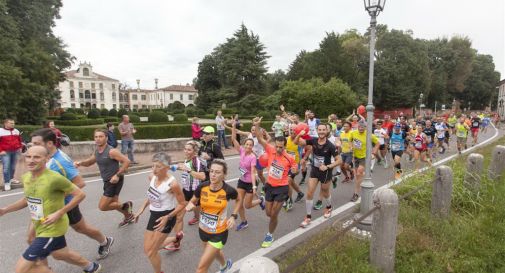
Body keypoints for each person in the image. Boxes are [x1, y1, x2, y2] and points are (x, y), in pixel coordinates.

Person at [0, 146, 102, 273]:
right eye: (28, 157)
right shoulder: (26, 177)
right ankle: (91, 267)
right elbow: (28, 199)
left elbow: (80, 194)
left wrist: (60, 212)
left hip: (53, 228)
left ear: (46, 159)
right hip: (40, 224)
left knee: (22, 270)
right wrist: (5, 210)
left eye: (36, 157)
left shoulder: (54, 178)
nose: (31, 160)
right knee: (60, 254)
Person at [30, 128, 114, 260]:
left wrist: (57, 196)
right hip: (45, 206)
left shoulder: (61, 161)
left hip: (66, 204)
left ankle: (104, 241)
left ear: (50, 144)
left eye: (36, 144)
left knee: (81, 228)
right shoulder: (42, 158)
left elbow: (80, 183)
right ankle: (40, 266)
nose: (32, 147)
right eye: (32, 144)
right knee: (32, 237)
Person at [133, 153, 186, 273]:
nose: (154, 169)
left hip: (167, 216)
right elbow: (152, 195)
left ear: (167, 167)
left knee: (151, 252)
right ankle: (175, 239)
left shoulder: (173, 184)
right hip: (154, 215)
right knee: (147, 249)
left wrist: (168, 217)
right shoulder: (151, 177)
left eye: (158, 167)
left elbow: (182, 204)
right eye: (153, 166)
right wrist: (141, 209)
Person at [186, 159, 240, 273]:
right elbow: (193, 200)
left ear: (224, 175)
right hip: (203, 229)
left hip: (219, 233)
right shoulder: (202, 187)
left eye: (217, 172)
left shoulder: (228, 190)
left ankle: (223, 266)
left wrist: (233, 216)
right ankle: (224, 266)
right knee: (214, 252)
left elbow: (239, 200)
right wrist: (190, 205)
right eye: (211, 171)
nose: (213, 175)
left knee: (201, 268)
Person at [74, 129, 133, 227]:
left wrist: (117, 175)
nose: (98, 139)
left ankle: (126, 206)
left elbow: (127, 161)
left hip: (114, 181)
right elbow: (90, 162)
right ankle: (128, 216)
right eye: (96, 137)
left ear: (106, 138)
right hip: (107, 180)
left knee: (103, 206)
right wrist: (80, 163)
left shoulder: (111, 151)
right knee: (114, 203)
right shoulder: (97, 151)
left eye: (101, 136)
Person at [254, 117, 297, 248]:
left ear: (284, 146)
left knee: (273, 214)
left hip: (282, 188)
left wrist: (294, 170)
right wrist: (256, 125)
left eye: (281, 147)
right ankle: (264, 201)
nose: (278, 149)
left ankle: (270, 234)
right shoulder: (270, 150)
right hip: (269, 186)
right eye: (277, 146)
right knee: (268, 213)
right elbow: (260, 138)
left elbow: (295, 168)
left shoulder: (289, 158)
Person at [295, 124, 341, 228]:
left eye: (323, 130)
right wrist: (299, 134)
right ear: (317, 130)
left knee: (325, 192)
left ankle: (329, 207)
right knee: (310, 192)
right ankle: (308, 217)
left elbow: (339, 160)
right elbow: (297, 142)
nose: (321, 131)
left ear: (326, 131)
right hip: (315, 170)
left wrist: (328, 166)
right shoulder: (314, 140)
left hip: (325, 172)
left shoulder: (330, 146)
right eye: (319, 130)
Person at [230, 120, 265, 230]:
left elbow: (253, 171)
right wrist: (233, 127)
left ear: (252, 146)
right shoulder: (241, 151)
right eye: (247, 144)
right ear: (244, 145)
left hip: (250, 183)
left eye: (250, 145)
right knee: (238, 203)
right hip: (241, 181)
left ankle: (260, 200)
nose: (248, 146)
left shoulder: (253, 157)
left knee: (247, 205)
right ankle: (244, 222)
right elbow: (233, 139)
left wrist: (254, 187)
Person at [178, 141, 208, 227]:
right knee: (184, 207)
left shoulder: (196, 161)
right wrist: (177, 167)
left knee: (190, 207)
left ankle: (200, 213)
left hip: (195, 189)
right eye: (185, 149)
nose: (186, 151)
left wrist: (188, 170)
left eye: (189, 150)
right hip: (187, 187)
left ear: (194, 152)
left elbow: (202, 177)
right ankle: (197, 216)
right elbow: (186, 169)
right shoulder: (187, 159)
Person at [349, 121, 379, 202]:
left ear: (365, 127)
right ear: (357, 127)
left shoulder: (369, 135)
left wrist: (373, 153)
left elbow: (378, 143)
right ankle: (365, 175)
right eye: (360, 127)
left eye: (363, 127)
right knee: (358, 176)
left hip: (365, 157)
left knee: (359, 173)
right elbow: (350, 140)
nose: (361, 128)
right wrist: (351, 146)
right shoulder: (353, 133)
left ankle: (356, 193)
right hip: (356, 156)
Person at [283, 124, 305, 211]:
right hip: (286, 165)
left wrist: (304, 158)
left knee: (288, 181)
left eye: (294, 130)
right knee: (291, 182)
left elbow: (309, 148)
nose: (292, 131)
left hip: (295, 166)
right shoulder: (287, 139)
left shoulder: (301, 141)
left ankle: (289, 201)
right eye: (291, 130)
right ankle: (300, 193)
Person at [0, 118, 23, 190]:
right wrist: (0, 150)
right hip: (5, 152)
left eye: (13, 123)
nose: (13, 124)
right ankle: (7, 183)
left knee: (13, 167)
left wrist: (20, 147)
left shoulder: (16, 131)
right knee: (6, 168)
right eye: (11, 123)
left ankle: (11, 179)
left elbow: (19, 140)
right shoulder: (1, 131)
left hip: (15, 151)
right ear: (5, 123)